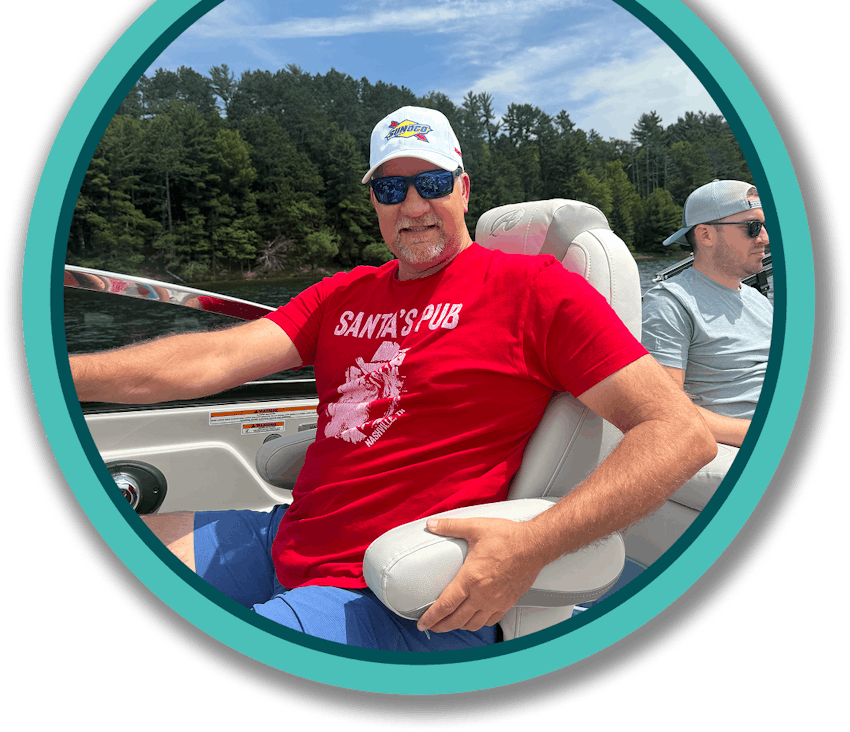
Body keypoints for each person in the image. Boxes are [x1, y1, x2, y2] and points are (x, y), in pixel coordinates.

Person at [71, 106, 716, 651]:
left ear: (464, 188)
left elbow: (680, 433)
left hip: (402, 589)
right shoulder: (343, 294)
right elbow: (206, 363)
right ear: (373, 201)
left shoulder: (536, 291)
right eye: (390, 189)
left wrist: (532, 543)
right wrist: (54, 373)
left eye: (430, 181)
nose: (412, 206)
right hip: (288, 535)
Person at [642, 180, 773, 447]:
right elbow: (663, 411)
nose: (765, 238)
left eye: (765, 225)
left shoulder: (758, 300)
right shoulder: (670, 304)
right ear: (705, 235)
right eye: (752, 227)